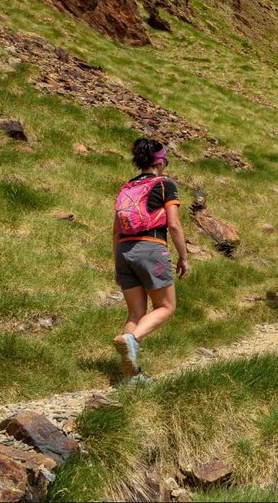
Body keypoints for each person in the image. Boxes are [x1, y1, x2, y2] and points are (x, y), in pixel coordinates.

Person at [111, 137, 189, 380]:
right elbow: (174, 225)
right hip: (151, 247)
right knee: (166, 307)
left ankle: (131, 377)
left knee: (135, 314)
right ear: (161, 161)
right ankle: (131, 340)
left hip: (124, 251)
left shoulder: (127, 186)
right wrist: (184, 257)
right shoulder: (165, 184)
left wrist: (117, 264)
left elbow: (116, 230)